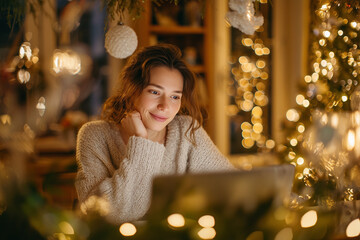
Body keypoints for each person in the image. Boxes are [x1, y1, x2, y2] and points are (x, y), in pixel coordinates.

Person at [75, 44, 235, 225]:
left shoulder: (186, 131)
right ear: (132, 90)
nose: (165, 106)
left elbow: (232, 190)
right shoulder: (95, 135)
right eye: (154, 92)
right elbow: (102, 216)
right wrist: (141, 143)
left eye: (175, 96)